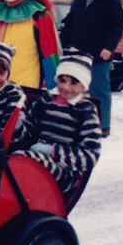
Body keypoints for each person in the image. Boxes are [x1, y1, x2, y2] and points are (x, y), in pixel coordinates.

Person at [11, 50, 102, 197]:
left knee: (21, 161)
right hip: (34, 157)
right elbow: (28, 132)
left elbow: (91, 155)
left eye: (74, 82)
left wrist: (52, 151)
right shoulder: (45, 101)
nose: (66, 87)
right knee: (12, 160)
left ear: (84, 85)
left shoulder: (85, 110)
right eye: (62, 80)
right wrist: (18, 127)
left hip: (65, 170)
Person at [60, 0, 123, 136]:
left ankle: (103, 124)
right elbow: (70, 23)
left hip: (99, 54)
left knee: (99, 89)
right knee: (74, 88)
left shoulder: (112, 1)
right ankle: (76, 122)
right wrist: (62, 44)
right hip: (78, 52)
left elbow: (117, 27)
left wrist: (109, 48)